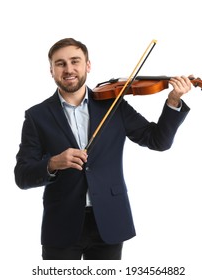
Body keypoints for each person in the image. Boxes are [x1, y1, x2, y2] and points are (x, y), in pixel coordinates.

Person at [14, 38, 192, 260]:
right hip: (61, 224)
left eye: (75, 61)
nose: (69, 69)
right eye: (60, 63)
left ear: (87, 65)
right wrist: (52, 163)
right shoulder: (36, 116)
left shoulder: (114, 105)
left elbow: (158, 141)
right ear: (51, 70)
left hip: (109, 221)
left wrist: (173, 100)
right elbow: (22, 176)